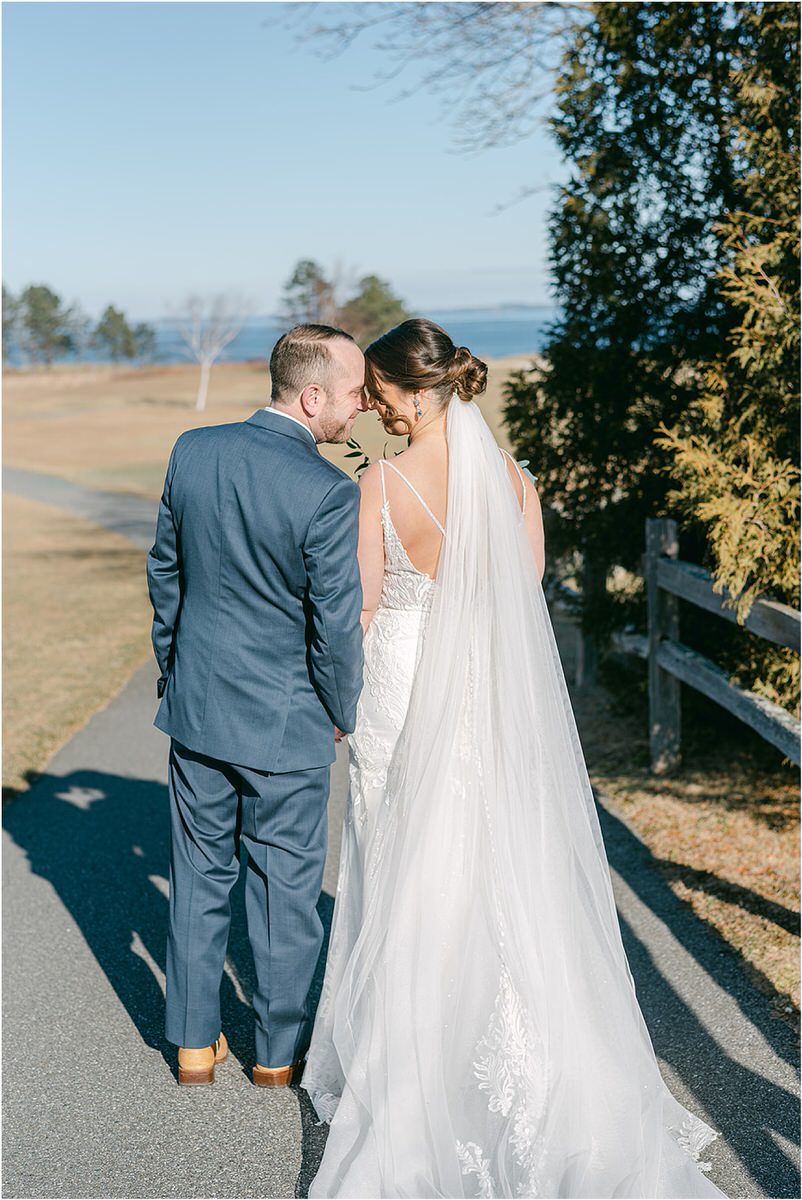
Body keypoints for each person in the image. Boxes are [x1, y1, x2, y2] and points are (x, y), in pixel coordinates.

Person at [301, 318, 727, 1198]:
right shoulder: (513, 481)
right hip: (487, 698)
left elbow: (367, 613)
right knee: (493, 863)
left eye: (379, 388)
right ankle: (524, 1047)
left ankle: (413, 1052)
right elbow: (521, 596)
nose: (373, 401)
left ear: (415, 391)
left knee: (403, 865)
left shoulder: (378, 483)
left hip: (402, 688)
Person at [146, 324, 366, 1086]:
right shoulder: (329, 491)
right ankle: (275, 1056)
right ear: (312, 397)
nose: (360, 406)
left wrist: (173, 671)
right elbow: (333, 627)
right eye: (352, 393)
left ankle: (192, 1046)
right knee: (284, 893)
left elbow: (165, 575)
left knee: (199, 875)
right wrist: (345, 709)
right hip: (287, 726)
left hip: (199, 710)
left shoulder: (192, 451)